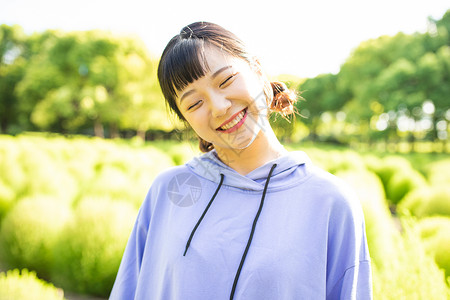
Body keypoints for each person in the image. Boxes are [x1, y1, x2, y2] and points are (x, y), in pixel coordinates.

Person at [110, 21, 372, 300]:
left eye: (225, 81)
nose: (219, 107)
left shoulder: (330, 201)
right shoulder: (170, 190)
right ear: (186, 120)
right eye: (194, 104)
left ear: (258, 72)